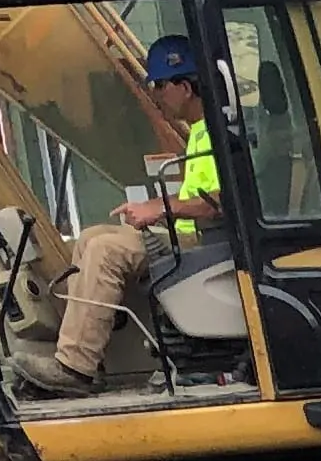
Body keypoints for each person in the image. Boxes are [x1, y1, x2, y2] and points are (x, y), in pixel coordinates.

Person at [33, 34, 222, 395]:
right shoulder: (200, 132)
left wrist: (159, 209)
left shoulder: (217, 132)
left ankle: (76, 368)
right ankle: (88, 356)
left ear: (184, 86)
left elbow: (223, 202)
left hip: (206, 242)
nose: (156, 94)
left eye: (160, 85)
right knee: (90, 237)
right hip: (190, 235)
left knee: (107, 250)